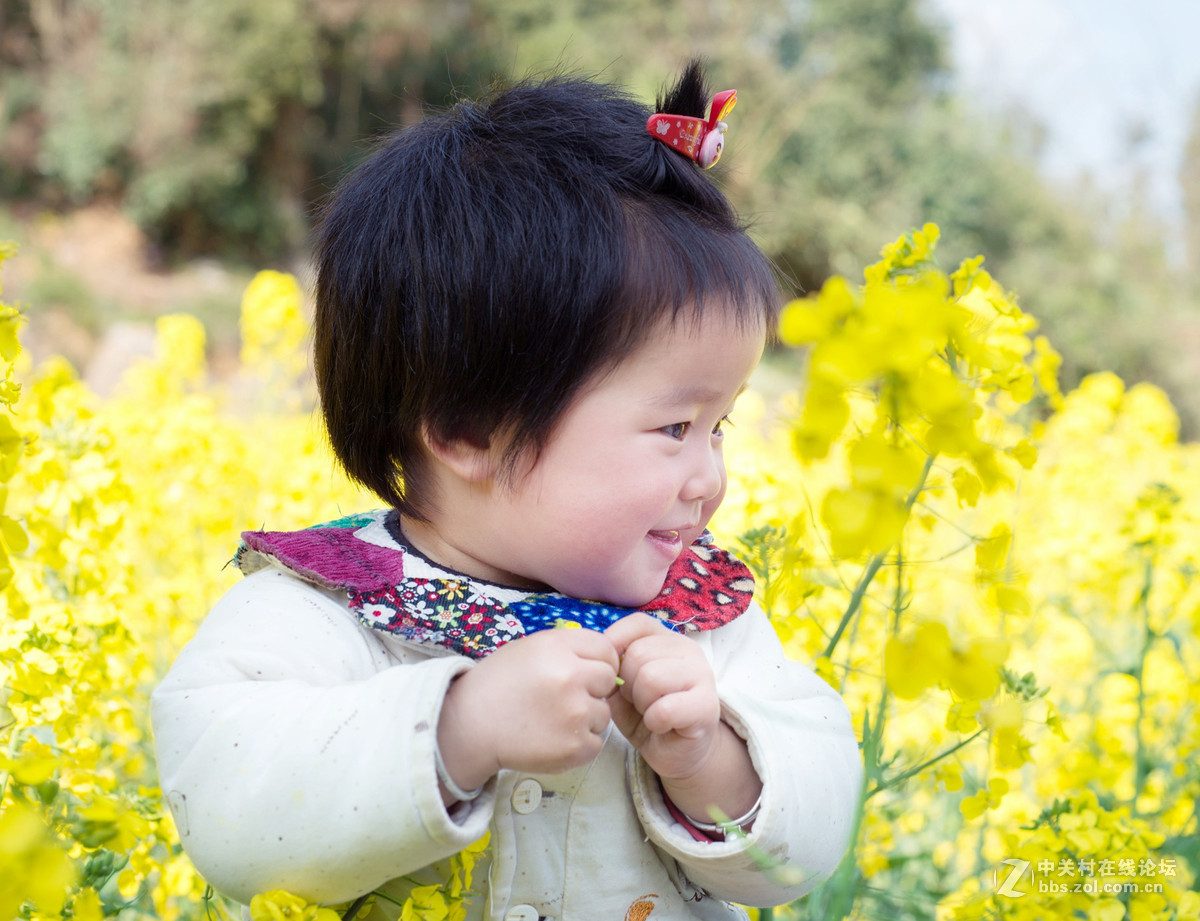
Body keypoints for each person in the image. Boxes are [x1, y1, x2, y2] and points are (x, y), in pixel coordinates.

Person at [152, 62, 862, 921]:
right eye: (676, 427)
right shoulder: (320, 612)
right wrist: (458, 730)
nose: (711, 477)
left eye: (721, 426)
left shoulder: (706, 623)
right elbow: (227, 816)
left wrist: (710, 758)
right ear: (469, 431)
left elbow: (809, 844)